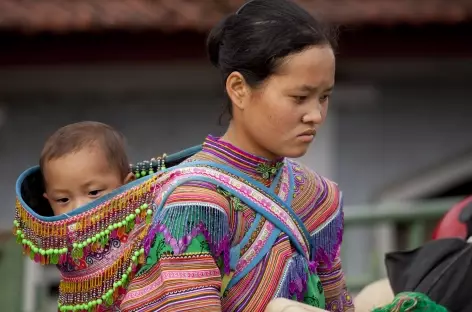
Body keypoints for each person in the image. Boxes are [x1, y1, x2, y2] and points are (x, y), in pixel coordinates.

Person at [13, 0, 353, 311]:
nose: (316, 115)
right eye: (299, 97)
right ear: (238, 89)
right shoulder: (192, 201)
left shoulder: (318, 196)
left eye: (324, 97)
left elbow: (338, 303)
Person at [39, 121, 135, 216]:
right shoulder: (40, 230)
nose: (79, 208)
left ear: (128, 186)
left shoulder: (145, 226)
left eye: (94, 192)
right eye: (63, 199)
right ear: (49, 202)